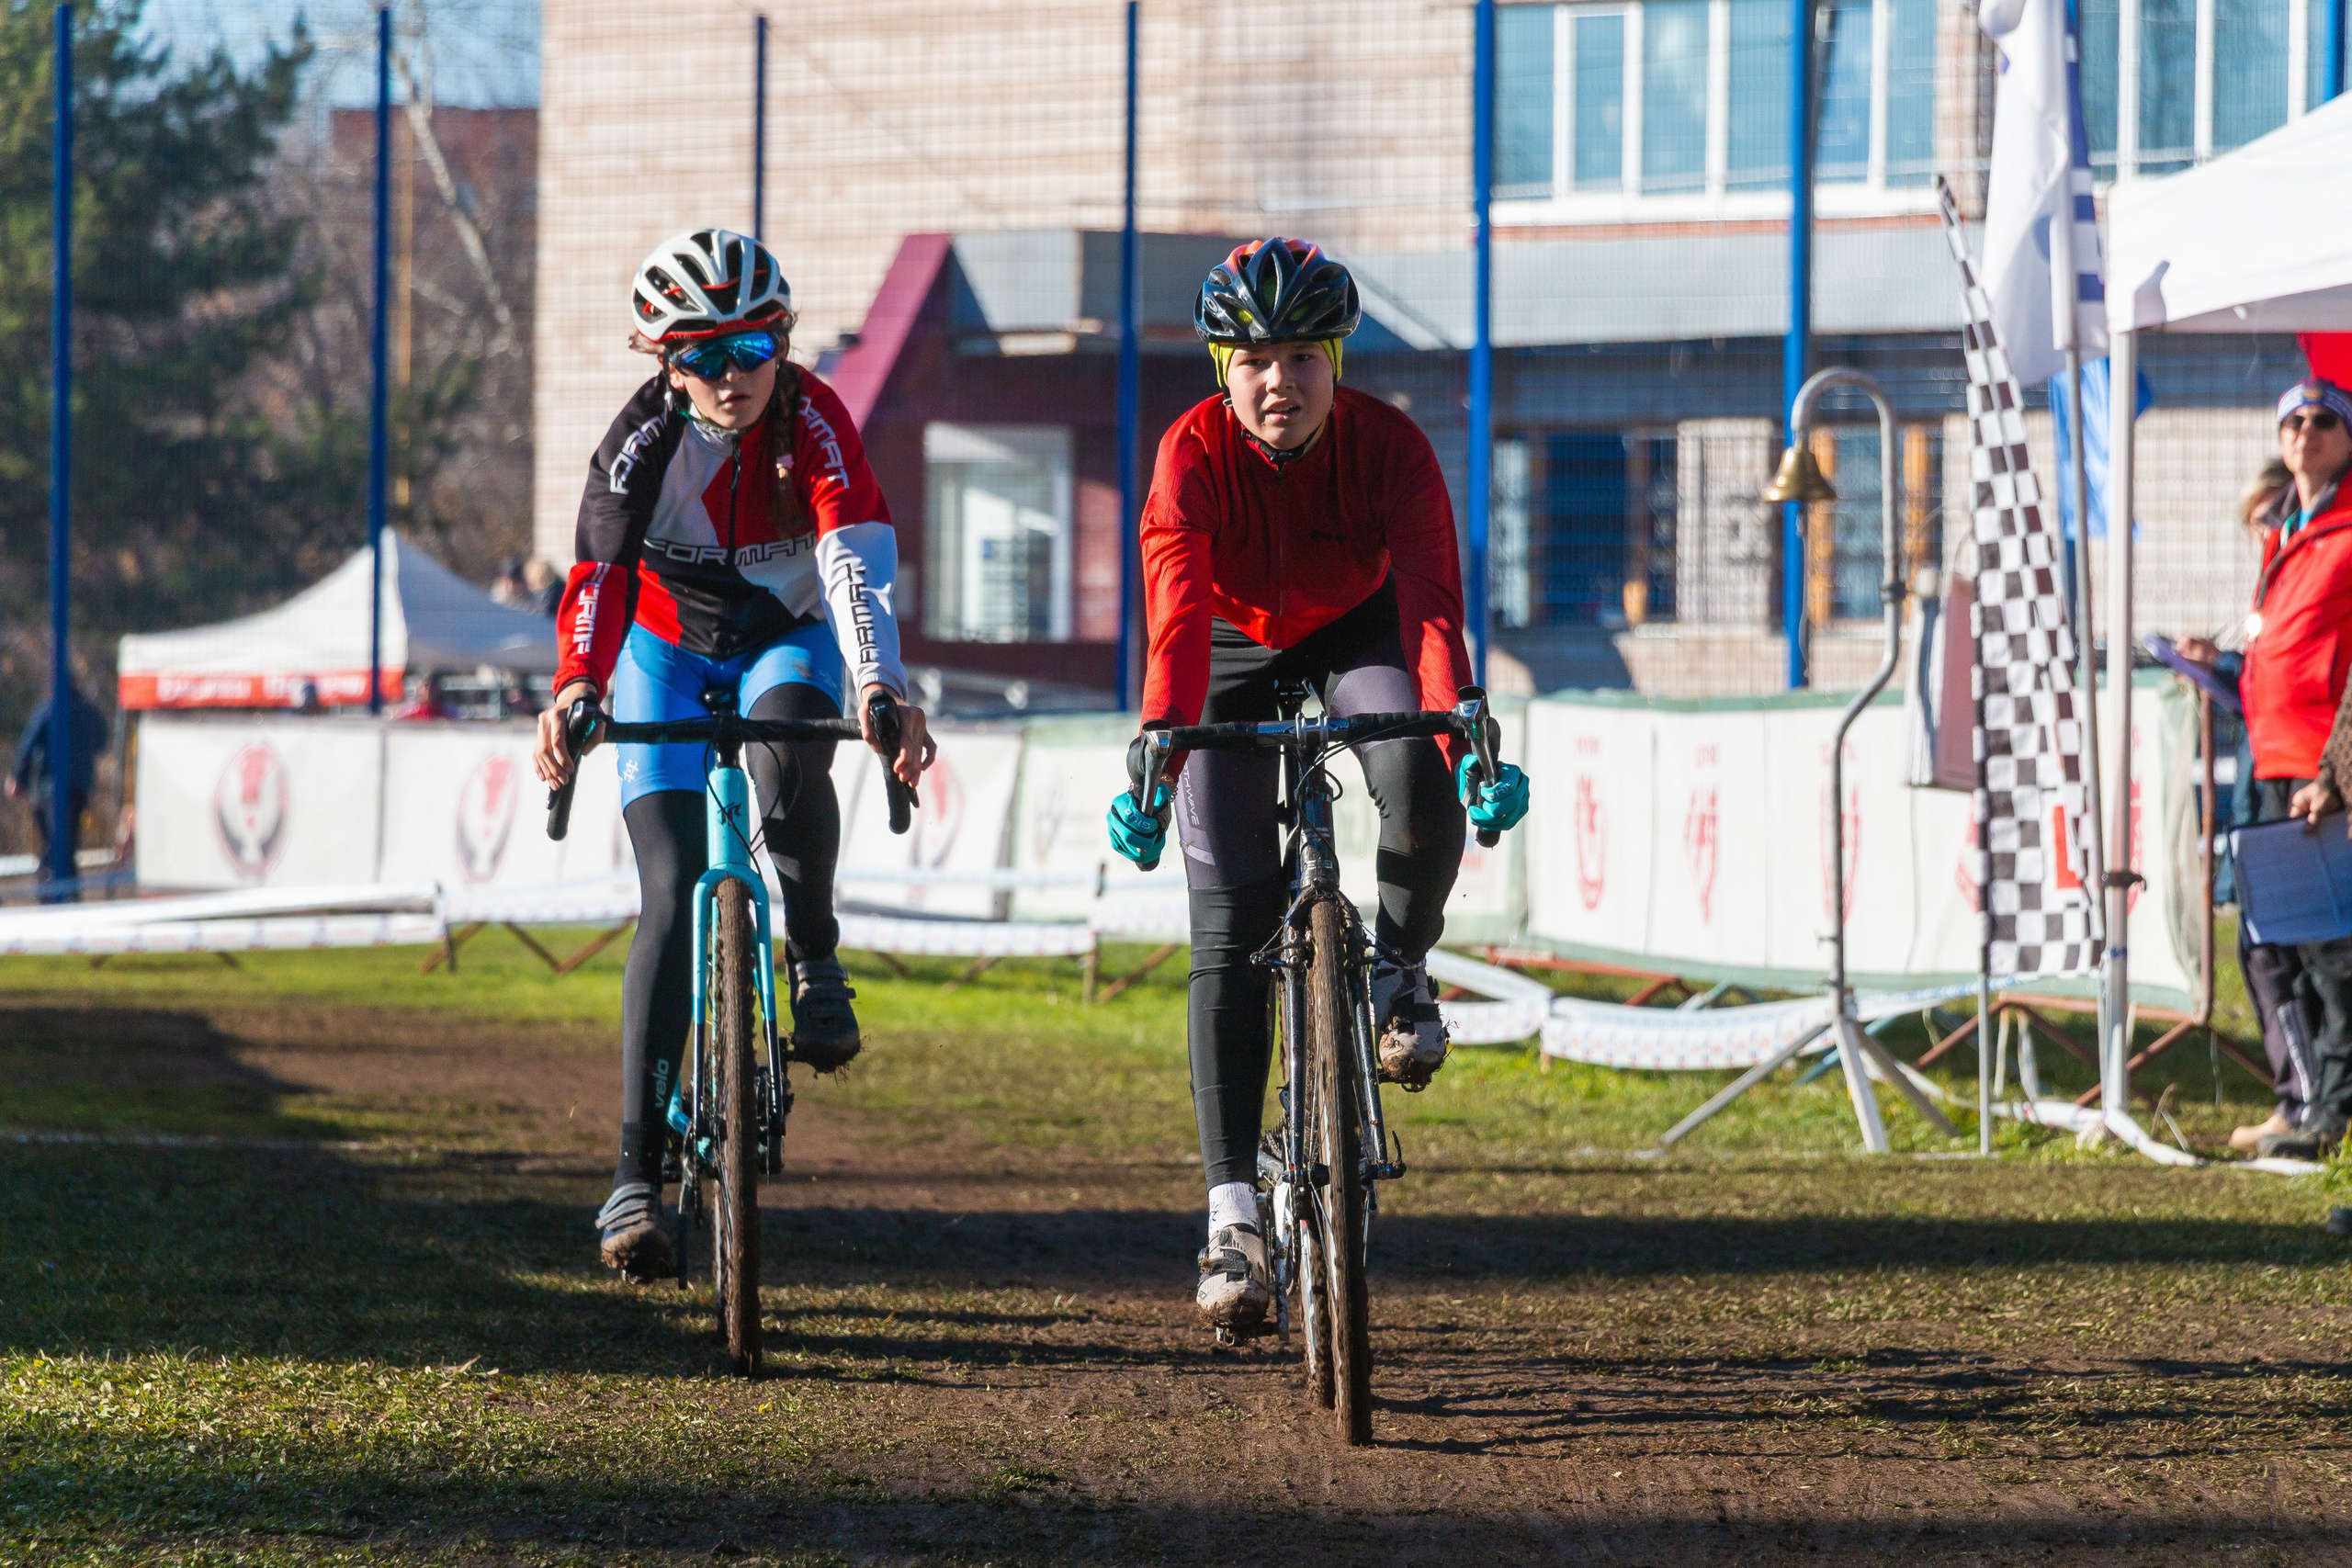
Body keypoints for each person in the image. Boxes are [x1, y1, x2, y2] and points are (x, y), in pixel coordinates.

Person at [1105, 239, 1530, 1332]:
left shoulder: (1389, 447)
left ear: (1337, 362)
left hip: (1359, 628)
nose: (1277, 380)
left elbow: (1433, 607)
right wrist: (1164, 743)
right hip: (1233, 645)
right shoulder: (1189, 455)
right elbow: (1176, 617)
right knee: (1228, 922)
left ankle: (1400, 970)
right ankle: (1233, 1214)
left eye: (1301, 355)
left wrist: (1466, 731)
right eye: (1252, 358)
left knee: (1416, 762)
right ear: (1219, 368)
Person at [530, 229, 934, 1281]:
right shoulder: (637, 444)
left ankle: (814, 954)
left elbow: (852, 561)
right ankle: (634, 1172)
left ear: (783, 343)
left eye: (749, 349)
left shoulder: (816, 418)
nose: (728, 377)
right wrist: (576, 688)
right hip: (662, 650)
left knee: (791, 752)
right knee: (669, 891)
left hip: (784, 634)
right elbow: (600, 578)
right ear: (660, 363)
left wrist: (881, 684)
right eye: (698, 356)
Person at [2185, 377, 2352, 1161]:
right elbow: (2281, 653)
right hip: (2276, 758)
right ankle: (2311, 1105)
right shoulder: (2287, 531)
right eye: (2294, 420)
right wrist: (2221, 665)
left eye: (2324, 421)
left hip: (2322, 766)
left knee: (2330, 953)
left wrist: (2338, 768)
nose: (2306, 432)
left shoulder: (2345, 528)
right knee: (2281, 945)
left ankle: (2333, 1116)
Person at [2182, 457, 2306, 1152]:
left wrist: (2231, 668)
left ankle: (2306, 1104)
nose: (2262, 531)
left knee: (2283, 951)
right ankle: (2298, 1100)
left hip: (2292, 794)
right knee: (2263, 950)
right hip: (2262, 791)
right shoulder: (2275, 583)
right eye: (2254, 522)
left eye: (2269, 516)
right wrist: (2222, 664)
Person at [7, 682, 107, 858]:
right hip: (80, 787)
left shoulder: (50, 709)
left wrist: (17, 777)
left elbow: (29, 743)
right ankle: (66, 878)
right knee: (69, 841)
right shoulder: (89, 711)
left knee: (52, 842)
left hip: (51, 788)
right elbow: (101, 743)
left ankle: (50, 877)